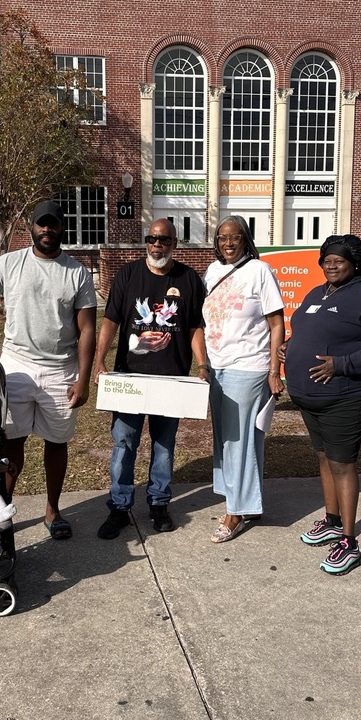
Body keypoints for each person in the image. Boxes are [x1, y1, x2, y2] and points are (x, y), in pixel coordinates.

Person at [0, 200, 97, 540]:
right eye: (41, 223)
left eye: (53, 223)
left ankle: (53, 510)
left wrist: (83, 379)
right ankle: (4, 506)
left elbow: (87, 329)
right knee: (11, 441)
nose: (47, 229)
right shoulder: (9, 264)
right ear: (31, 226)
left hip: (61, 371)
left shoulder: (77, 273)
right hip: (15, 368)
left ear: (62, 227)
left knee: (57, 442)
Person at [280, 234, 361, 575]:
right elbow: (308, 330)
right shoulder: (317, 293)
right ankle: (332, 521)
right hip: (309, 396)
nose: (331, 265)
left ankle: (349, 541)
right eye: (326, 260)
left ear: (355, 263)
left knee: (342, 463)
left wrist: (341, 364)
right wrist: (290, 345)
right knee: (324, 457)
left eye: (339, 260)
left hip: (346, 396)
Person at [93, 219, 208, 538]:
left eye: (164, 240)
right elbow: (111, 321)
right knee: (124, 442)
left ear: (175, 244)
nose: (157, 245)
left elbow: (194, 327)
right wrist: (99, 360)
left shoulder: (188, 279)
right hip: (130, 377)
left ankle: (159, 503)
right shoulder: (128, 275)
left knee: (164, 445)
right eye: (152, 238)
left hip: (171, 379)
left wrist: (202, 364)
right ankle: (119, 507)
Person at [202, 216, 285, 543]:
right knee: (226, 439)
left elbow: (276, 324)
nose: (228, 243)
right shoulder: (212, 271)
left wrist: (274, 371)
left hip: (248, 366)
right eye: (222, 237)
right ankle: (246, 501)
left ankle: (235, 513)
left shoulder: (259, 271)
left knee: (239, 441)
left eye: (235, 237)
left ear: (246, 240)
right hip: (217, 366)